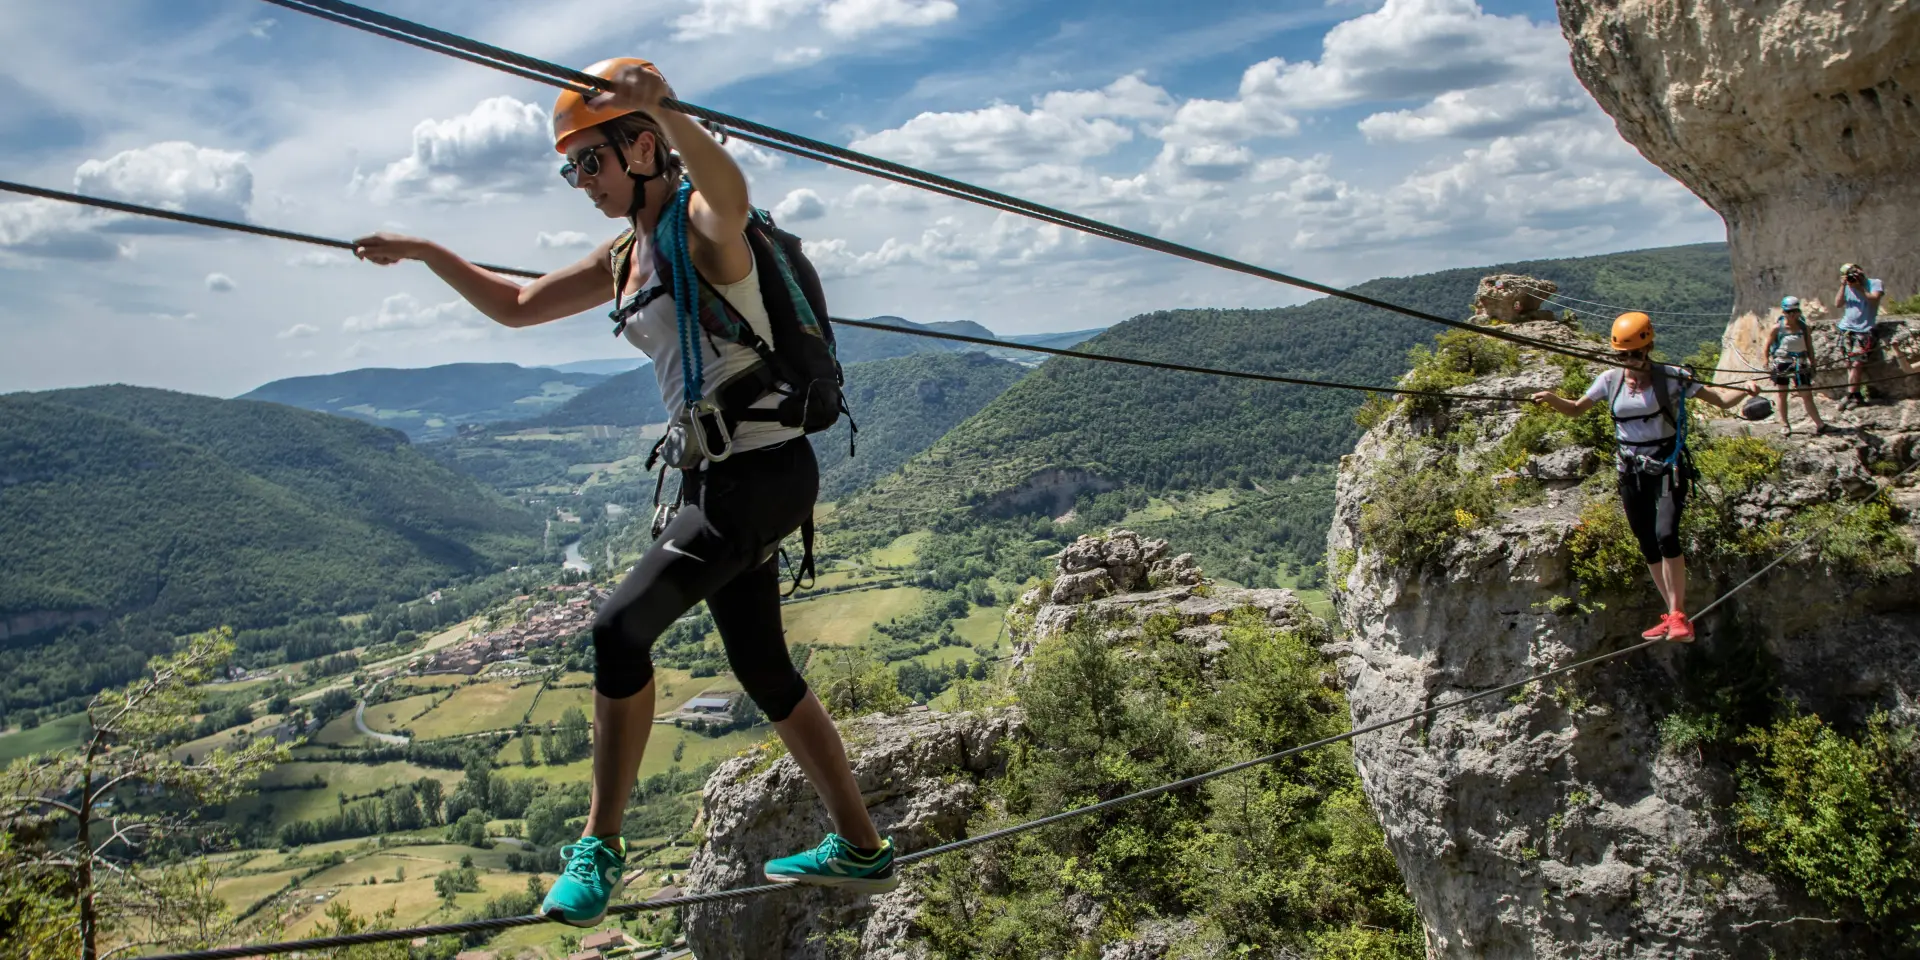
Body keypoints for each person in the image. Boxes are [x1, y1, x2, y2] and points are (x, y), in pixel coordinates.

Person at [351, 58, 894, 927]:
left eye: (590, 162)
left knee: (616, 631)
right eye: (571, 169)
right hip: (731, 478)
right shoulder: (624, 257)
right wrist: (425, 252)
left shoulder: (701, 229)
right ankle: (862, 847)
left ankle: (599, 848)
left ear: (642, 149)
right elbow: (520, 304)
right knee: (762, 667)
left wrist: (668, 110)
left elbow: (731, 194)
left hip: (755, 477)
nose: (582, 181)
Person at [1530, 312, 1758, 642]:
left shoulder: (1672, 377)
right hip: (1630, 470)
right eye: (1621, 355)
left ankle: (1678, 615)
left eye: (1634, 354)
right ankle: (1673, 614)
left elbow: (1720, 400)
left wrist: (1746, 391)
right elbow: (1577, 409)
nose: (1628, 360)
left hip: (1667, 466)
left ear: (1648, 348)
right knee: (1647, 542)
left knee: (1666, 535)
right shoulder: (1610, 380)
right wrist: (1552, 399)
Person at [1764, 296, 1828, 436]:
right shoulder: (1777, 328)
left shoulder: (1803, 327)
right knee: (1782, 394)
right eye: (1789, 312)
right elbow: (1767, 346)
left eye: (1795, 311)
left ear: (1799, 312)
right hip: (1782, 362)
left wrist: (1813, 362)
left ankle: (1820, 424)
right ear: (1784, 312)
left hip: (1800, 362)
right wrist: (1766, 363)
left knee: (1806, 394)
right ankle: (1785, 424)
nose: (1792, 315)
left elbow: (1809, 346)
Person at [1834, 262, 1884, 409]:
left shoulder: (1875, 283)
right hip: (1846, 328)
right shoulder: (1847, 286)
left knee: (1857, 363)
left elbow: (1874, 299)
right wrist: (1843, 285)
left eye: (1856, 271)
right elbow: (1837, 303)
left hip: (1864, 330)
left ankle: (1849, 394)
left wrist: (1859, 288)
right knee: (1849, 363)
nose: (1856, 274)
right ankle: (1856, 396)